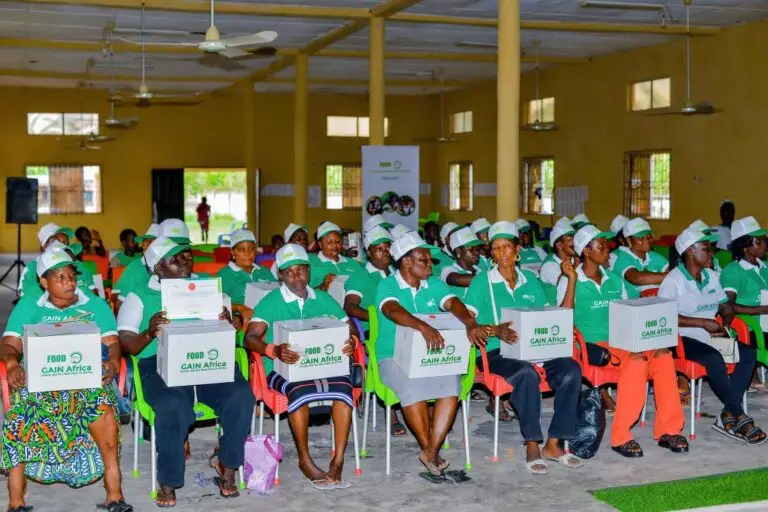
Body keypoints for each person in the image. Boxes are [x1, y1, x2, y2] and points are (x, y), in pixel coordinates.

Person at [117, 237, 253, 507]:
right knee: (172, 404)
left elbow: (229, 332)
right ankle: (168, 480)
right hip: (159, 365)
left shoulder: (206, 288)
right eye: (176, 259)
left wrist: (230, 322)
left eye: (187, 256)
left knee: (241, 395)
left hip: (206, 359)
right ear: (158, 268)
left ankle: (227, 467)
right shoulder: (139, 296)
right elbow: (126, 343)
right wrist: (149, 332)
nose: (185, 262)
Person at [2, 248, 132, 512]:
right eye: (60, 277)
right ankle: (16, 502)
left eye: (71, 276)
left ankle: (114, 494)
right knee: (18, 415)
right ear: (44, 281)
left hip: (86, 379)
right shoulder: (29, 305)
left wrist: (112, 362)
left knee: (104, 411)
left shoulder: (94, 304)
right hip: (39, 382)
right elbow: (9, 344)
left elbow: (112, 342)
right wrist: (13, 364)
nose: (69, 282)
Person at [464, 221, 583, 473]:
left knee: (571, 369)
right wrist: (494, 330)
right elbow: (468, 322)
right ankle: (532, 443)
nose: (501, 253)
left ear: (517, 249)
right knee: (526, 373)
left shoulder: (530, 279)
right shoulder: (482, 282)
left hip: (533, 348)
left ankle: (554, 443)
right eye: (496, 248)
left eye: (507, 246)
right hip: (496, 351)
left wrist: (571, 278)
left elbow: (558, 315)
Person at [558, 224, 687, 457]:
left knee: (663, 355)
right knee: (636, 362)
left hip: (622, 341)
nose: (608, 250)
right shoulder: (569, 280)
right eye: (601, 246)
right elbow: (562, 317)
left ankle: (669, 429)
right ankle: (621, 436)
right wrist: (573, 280)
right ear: (586, 251)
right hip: (591, 346)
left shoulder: (615, 280)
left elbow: (631, 310)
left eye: (606, 245)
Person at [374, 232, 487, 481]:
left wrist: (469, 322)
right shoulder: (388, 285)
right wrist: (423, 326)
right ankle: (429, 449)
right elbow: (392, 310)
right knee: (412, 385)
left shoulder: (433, 284)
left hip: (430, 357)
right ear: (406, 261)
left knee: (451, 383)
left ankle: (430, 451)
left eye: (430, 260)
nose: (430, 265)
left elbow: (453, 302)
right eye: (423, 260)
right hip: (393, 357)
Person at [245, 244, 357, 489]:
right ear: (281, 275)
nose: (296, 277)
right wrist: (273, 350)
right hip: (280, 368)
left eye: (301, 270)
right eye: (289, 272)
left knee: (344, 389)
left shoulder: (323, 299)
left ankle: (338, 459)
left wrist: (352, 342)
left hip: (323, 365)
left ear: (309, 270)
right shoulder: (271, 302)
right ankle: (305, 460)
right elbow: (250, 338)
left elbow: (350, 328)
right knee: (299, 391)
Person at [661, 225, 764, 444]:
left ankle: (727, 414)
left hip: (711, 336)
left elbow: (725, 305)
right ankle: (738, 413)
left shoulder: (710, 276)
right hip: (683, 338)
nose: (712, 253)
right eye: (706, 249)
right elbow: (664, 315)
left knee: (748, 354)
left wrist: (723, 326)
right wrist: (702, 323)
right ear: (691, 251)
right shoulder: (674, 280)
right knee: (714, 358)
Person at [217, 229, 276, 327]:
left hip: (270, 318)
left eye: (251, 249)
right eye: (241, 250)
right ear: (232, 252)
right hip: (241, 320)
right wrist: (239, 308)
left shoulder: (264, 271)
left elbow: (278, 294)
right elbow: (218, 302)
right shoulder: (225, 274)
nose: (247, 253)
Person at [611, 218, 669, 295]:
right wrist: (670, 277)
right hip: (630, 301)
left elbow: (672, 272)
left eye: (649, 236)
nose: (647, 240)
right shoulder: (621, 257)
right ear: (628, 240)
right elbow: (637, 278)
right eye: (641, 238)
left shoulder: (654, 256)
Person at [111, 224, 160, 307]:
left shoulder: (167, 266)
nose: (136, 244)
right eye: (146, 244)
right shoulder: (135, 265)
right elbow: (116, 296)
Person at [309, 222, 361, 290]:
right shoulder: (311, 263)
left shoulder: (353, 264)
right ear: (320, 244)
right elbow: (305, 292)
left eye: (337, 241)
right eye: (329, 242)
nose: (334, 245)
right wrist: (323, 287)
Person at [440, 227, 483, 300]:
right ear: (458, 251)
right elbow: (458, 279)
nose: (476, 252)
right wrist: (489, 278)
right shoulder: (448, 270)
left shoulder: (480, 271)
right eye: (471, 249)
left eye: (478, 249)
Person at [539, 219, 577, 287]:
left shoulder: (573, 260)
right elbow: (567, 284)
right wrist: (578, 259)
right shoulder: (548, 266)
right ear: (559, 245)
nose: (575, 243)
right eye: (570, 240)